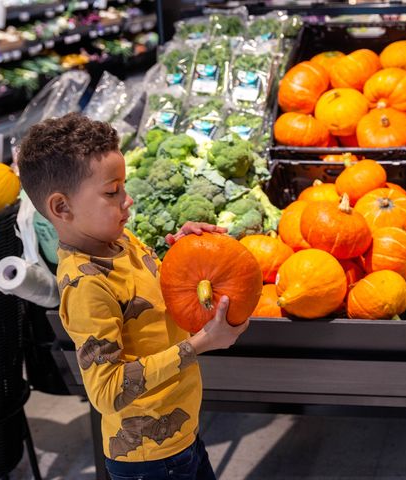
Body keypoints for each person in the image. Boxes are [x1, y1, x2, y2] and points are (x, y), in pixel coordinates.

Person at [17, 112, 249, 480]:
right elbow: (107, 391)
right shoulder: (85, 286)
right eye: (112, 192)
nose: (127, 200)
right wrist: (201, 344)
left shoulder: (118, 242)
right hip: (149, 460)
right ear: (61, 208)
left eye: (123, 187)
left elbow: (150, 295)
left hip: (177, 436)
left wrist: (184, 249)